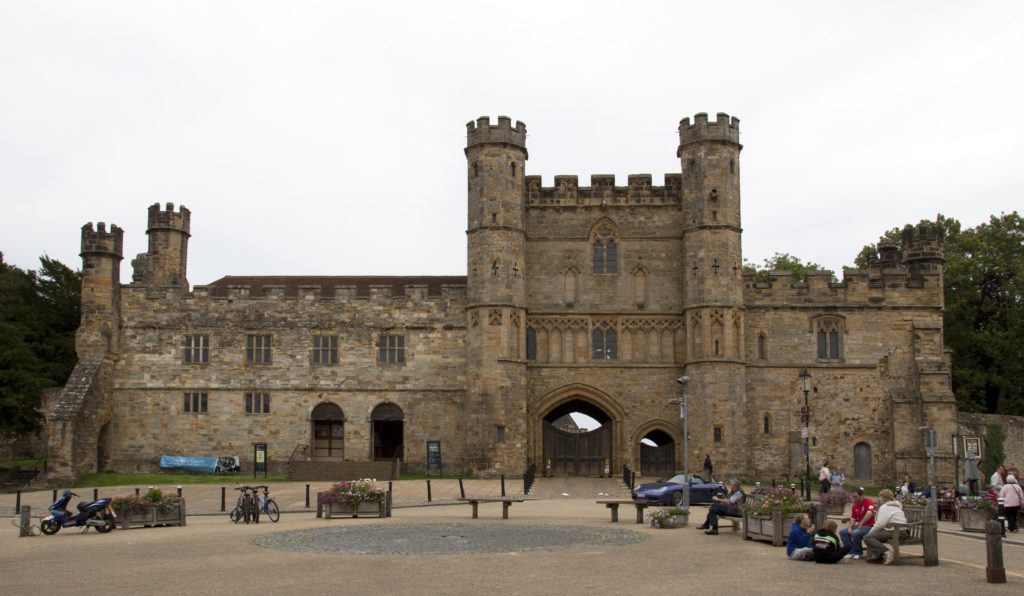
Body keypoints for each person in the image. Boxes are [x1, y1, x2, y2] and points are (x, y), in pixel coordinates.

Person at [863, 489, 906, 565]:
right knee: (872, 536)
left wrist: (871, 532)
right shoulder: (896, 505)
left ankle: (888, 553)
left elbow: (880, 524)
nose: (879, 499)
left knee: (868, 537)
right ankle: (877, 555)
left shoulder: (885, 507)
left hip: (895, 531)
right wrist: (877, 515)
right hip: (903, 531)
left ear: (883, 498)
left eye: (880, 497)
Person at [839, 487, 875, 559]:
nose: (854, 499)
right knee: (843, 532)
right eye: (853, 497)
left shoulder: (868, 502)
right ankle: (850, 551)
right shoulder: (855, 506)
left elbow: (869, 513)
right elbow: (853, 518)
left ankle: (858, 552)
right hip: (859, 526)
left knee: (856, 533)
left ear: (861, 496)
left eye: (856, 497)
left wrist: (861, 523)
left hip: (869, 526)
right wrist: (850, 528)